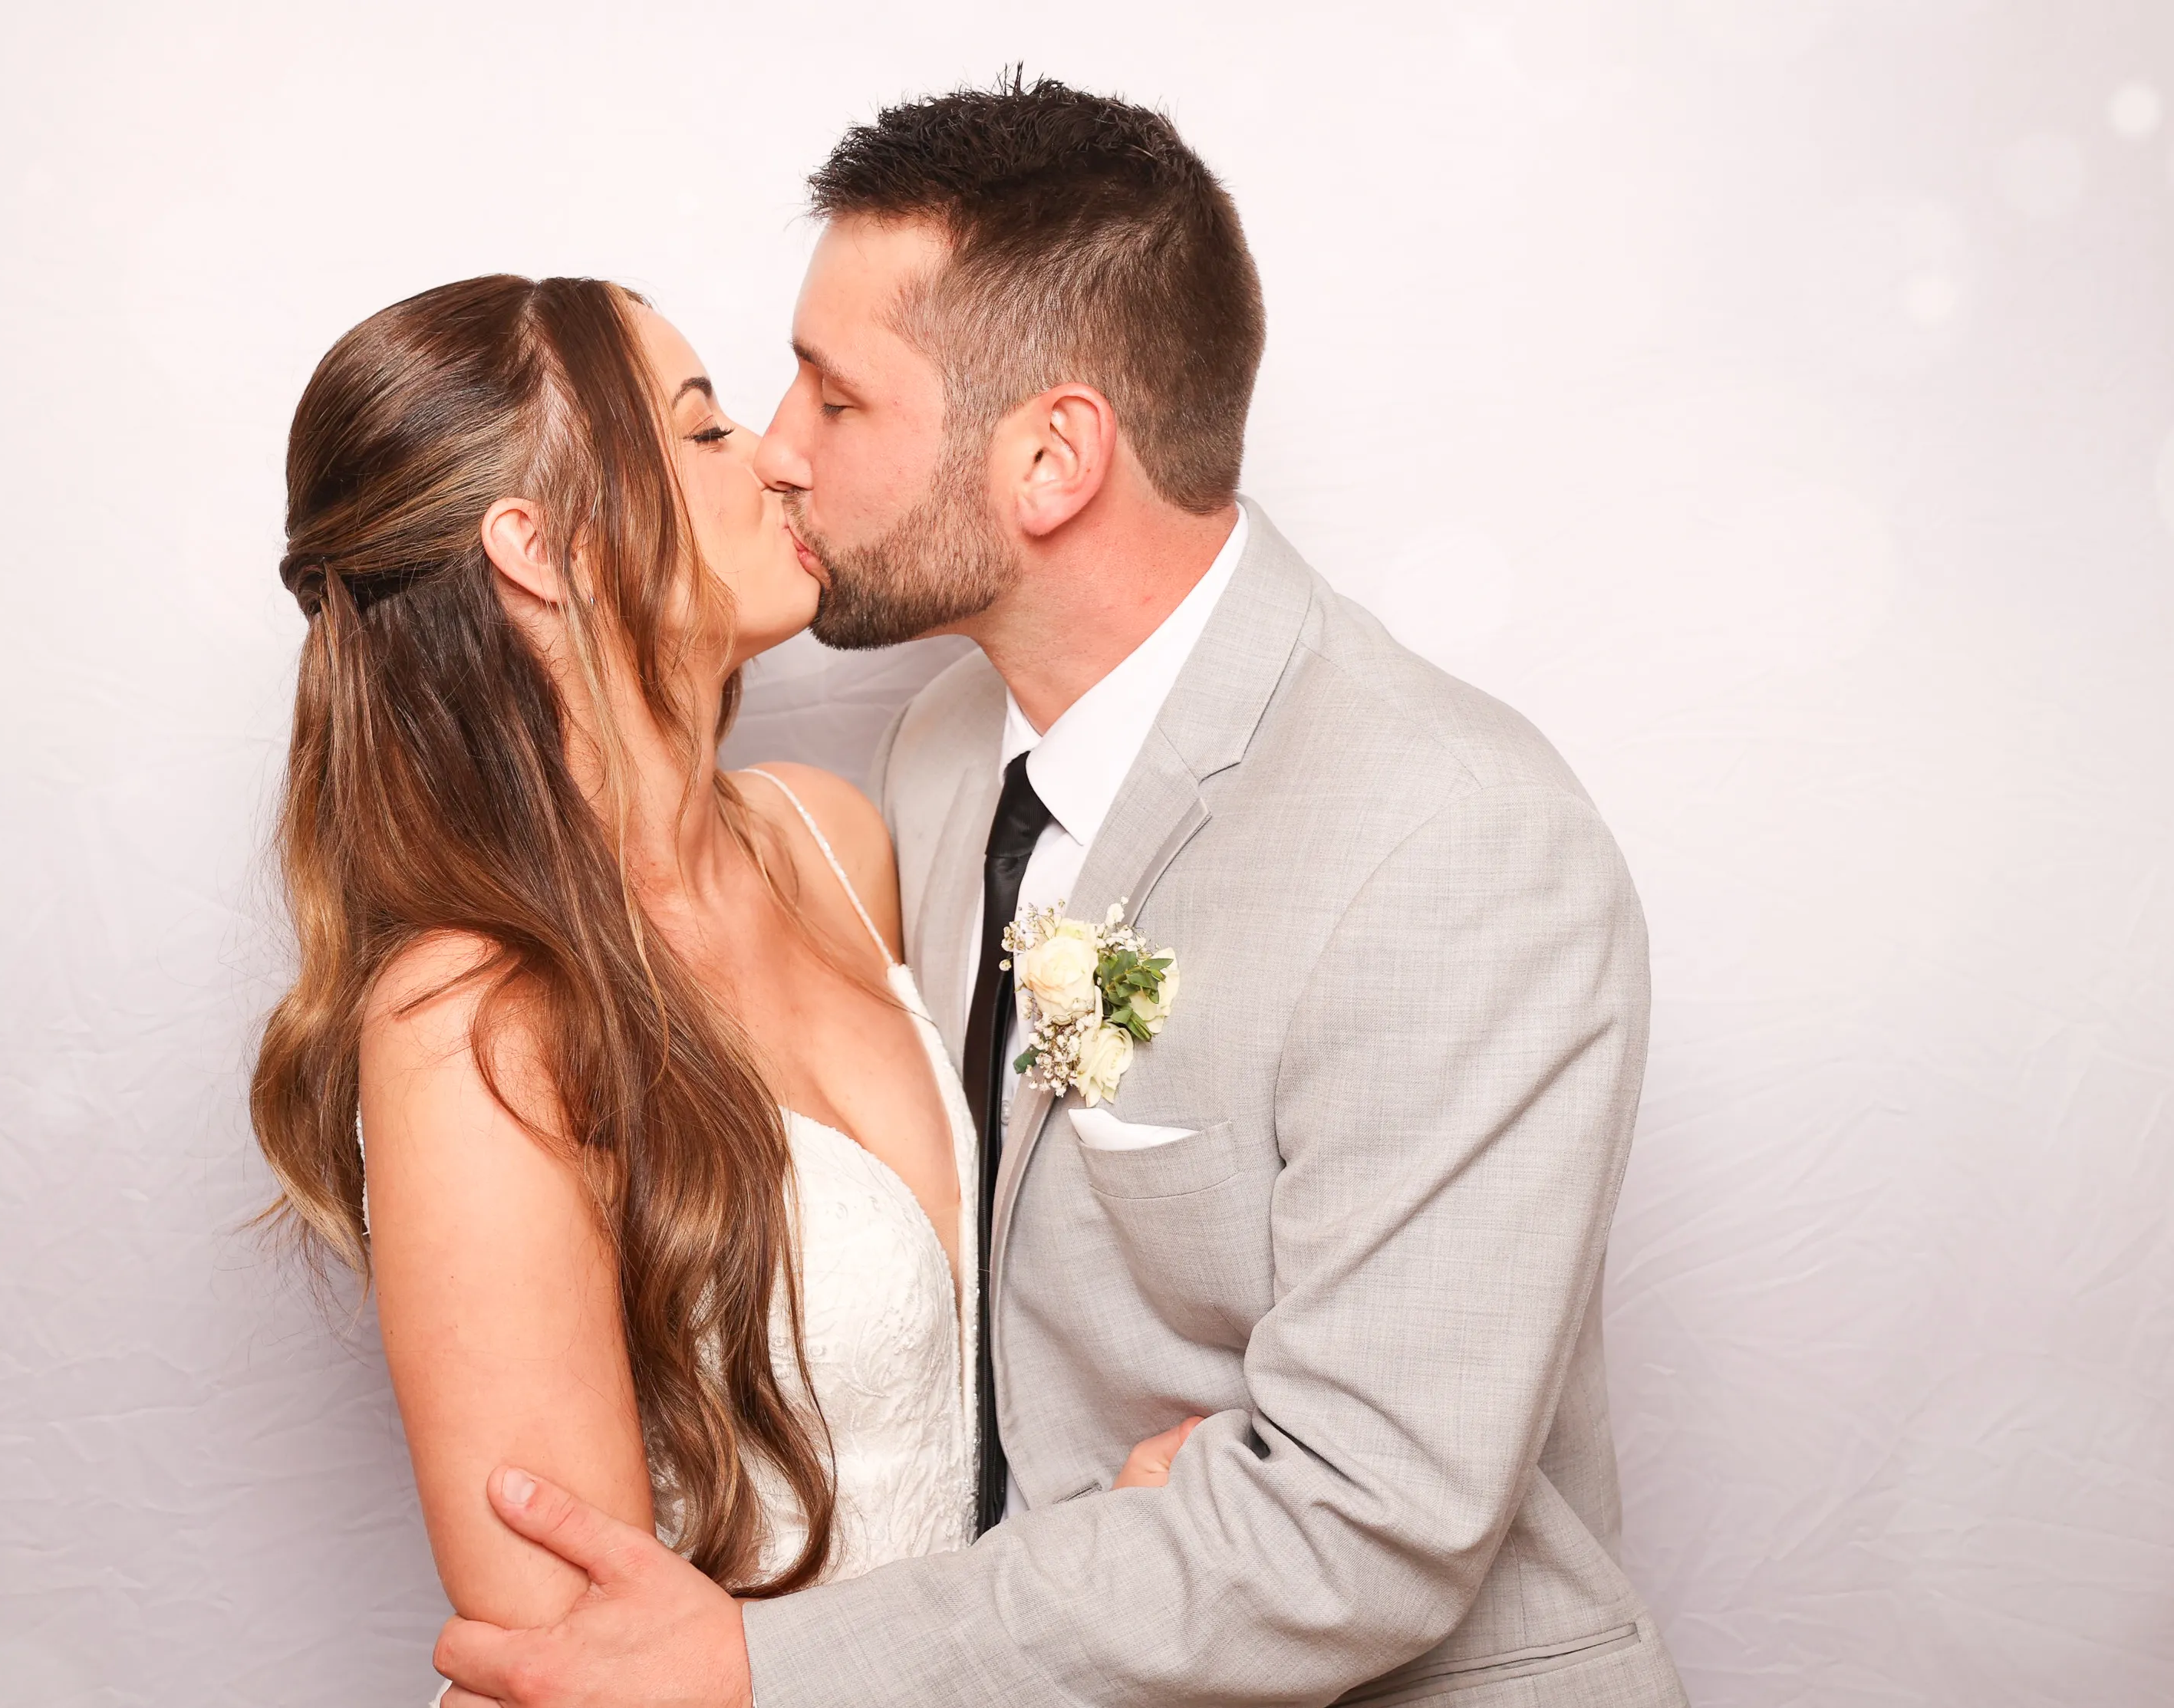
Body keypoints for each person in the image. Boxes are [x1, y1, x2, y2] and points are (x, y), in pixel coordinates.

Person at [429, 79, 1691, 1708]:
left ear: (1047, 459)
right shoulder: (944, 751)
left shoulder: (1454, 842)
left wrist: (763, 1662)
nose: (779, 456)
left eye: (835, 399)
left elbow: (1358, 1528)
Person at [245, 275, 1198, 1695]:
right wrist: (1082, 1598)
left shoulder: (830, 837)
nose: (771, 457)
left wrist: (1114, 1549)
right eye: (700, 431)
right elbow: (587, 1671)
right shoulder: (473, 1021)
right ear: (538, 545)